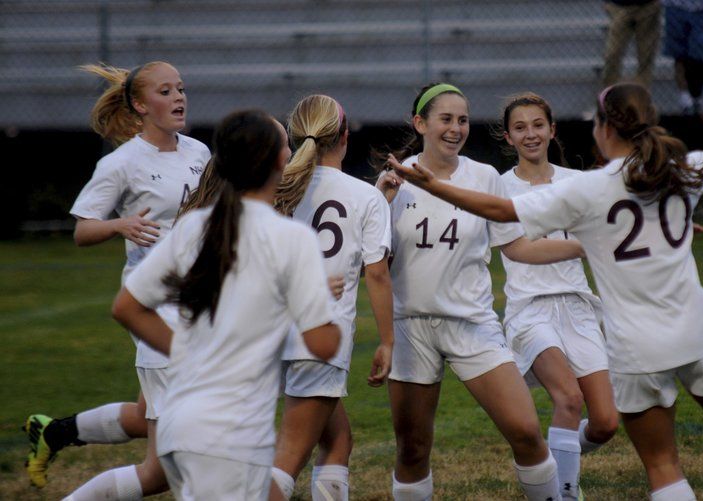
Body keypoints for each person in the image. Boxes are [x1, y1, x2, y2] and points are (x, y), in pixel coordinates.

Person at [389, 67, 703, 501]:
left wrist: (437, 187)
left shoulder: (588, 188)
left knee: (662, 466)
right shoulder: (681, 170)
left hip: (636, 347)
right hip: (698, 330)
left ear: (602, 129)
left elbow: (504, 213)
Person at [111, 108, 342, 500]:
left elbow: (127, 306)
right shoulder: (290, 238)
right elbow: (323, 345)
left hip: (184, 425)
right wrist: (314, 298)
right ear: (279, 160)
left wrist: (187, 354)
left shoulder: (194, 226)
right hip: (229, 434)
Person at [377, 82, 586, 500]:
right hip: (410, 328)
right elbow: (376, 265)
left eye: (463, 120)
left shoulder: (485, 177)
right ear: (421, 123)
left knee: (526, 433)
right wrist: (381, 204)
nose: (456, 128)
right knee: (413, 448)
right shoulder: (393, 181)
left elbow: (518, 246)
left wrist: (590, 245)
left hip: (472, 324)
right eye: (446, 119)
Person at [25, 61, 210, 500]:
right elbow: (83, 230)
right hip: (155, 307)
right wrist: (119, 225)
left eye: (181, 88)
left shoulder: (200, 153)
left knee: (151, 414)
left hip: (196, 303)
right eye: (165, 91)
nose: (178, 97)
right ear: (141, 106)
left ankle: (55, 432)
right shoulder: (122, 162)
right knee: (167, 468)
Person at [268, 94, 393, 501]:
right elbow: (376, 273)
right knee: (286, 462)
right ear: (344, 136)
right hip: (319, 337)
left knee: (338, 440)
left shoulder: (276, 188)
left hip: (271, 333)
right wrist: (387, 342)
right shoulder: (364, 196)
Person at [498, 93, 618, 500]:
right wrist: (584, 245)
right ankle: (564, 493)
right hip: (530, 311)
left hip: (579, 307)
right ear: (508, 136)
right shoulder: (501, 187)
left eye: (537, 125)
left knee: (605, 423)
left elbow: (619, 221)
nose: (530, 134)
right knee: (568, 398)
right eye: (520, 127)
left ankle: (556, 459)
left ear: (552, 129)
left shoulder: (578, 183)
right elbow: (519, 250)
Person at [662, 0, 703, 117]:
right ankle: (684, 97)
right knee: (679, 54)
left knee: (700, 53)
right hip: (675, 6)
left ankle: (697, 96)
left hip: (701, 7)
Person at [602, 0, 662, 90]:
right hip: (619, 7)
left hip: (648, 6)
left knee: (645, 54)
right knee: (613, 53)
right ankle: (609, 92)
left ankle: (641, 94)